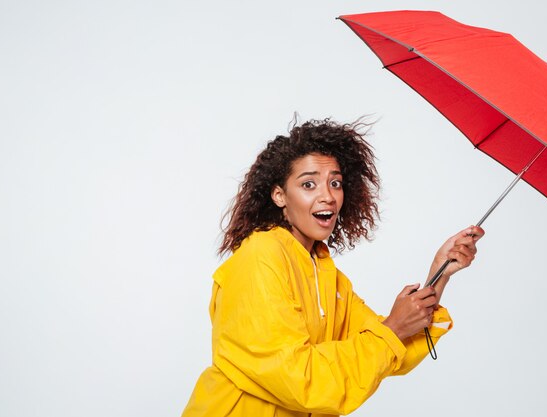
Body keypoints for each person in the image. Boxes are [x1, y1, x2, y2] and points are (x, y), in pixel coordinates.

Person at [182, 118, 484, 417]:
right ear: (279, 195)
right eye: (308, 184)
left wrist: (439, 274)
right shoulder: (260, 257)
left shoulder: (328, 275)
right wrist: (391, 328)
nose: (327, 195)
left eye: (335, 183)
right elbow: (299, 379)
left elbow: (389, 350)